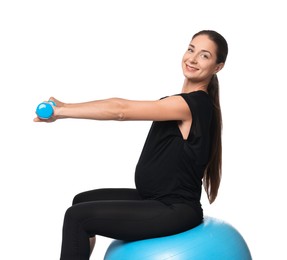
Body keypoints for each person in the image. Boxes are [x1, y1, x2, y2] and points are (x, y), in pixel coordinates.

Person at [34, 30, 228, 260]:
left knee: (78, 217)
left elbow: (120, 110)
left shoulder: (192, 105)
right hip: (155, 199)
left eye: (204, 55)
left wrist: (61, 112)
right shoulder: (180, 102)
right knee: (81, 201)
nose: (192, 59)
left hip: (174, 209)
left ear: (217, 67)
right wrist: (65, 104)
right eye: (190, 49)